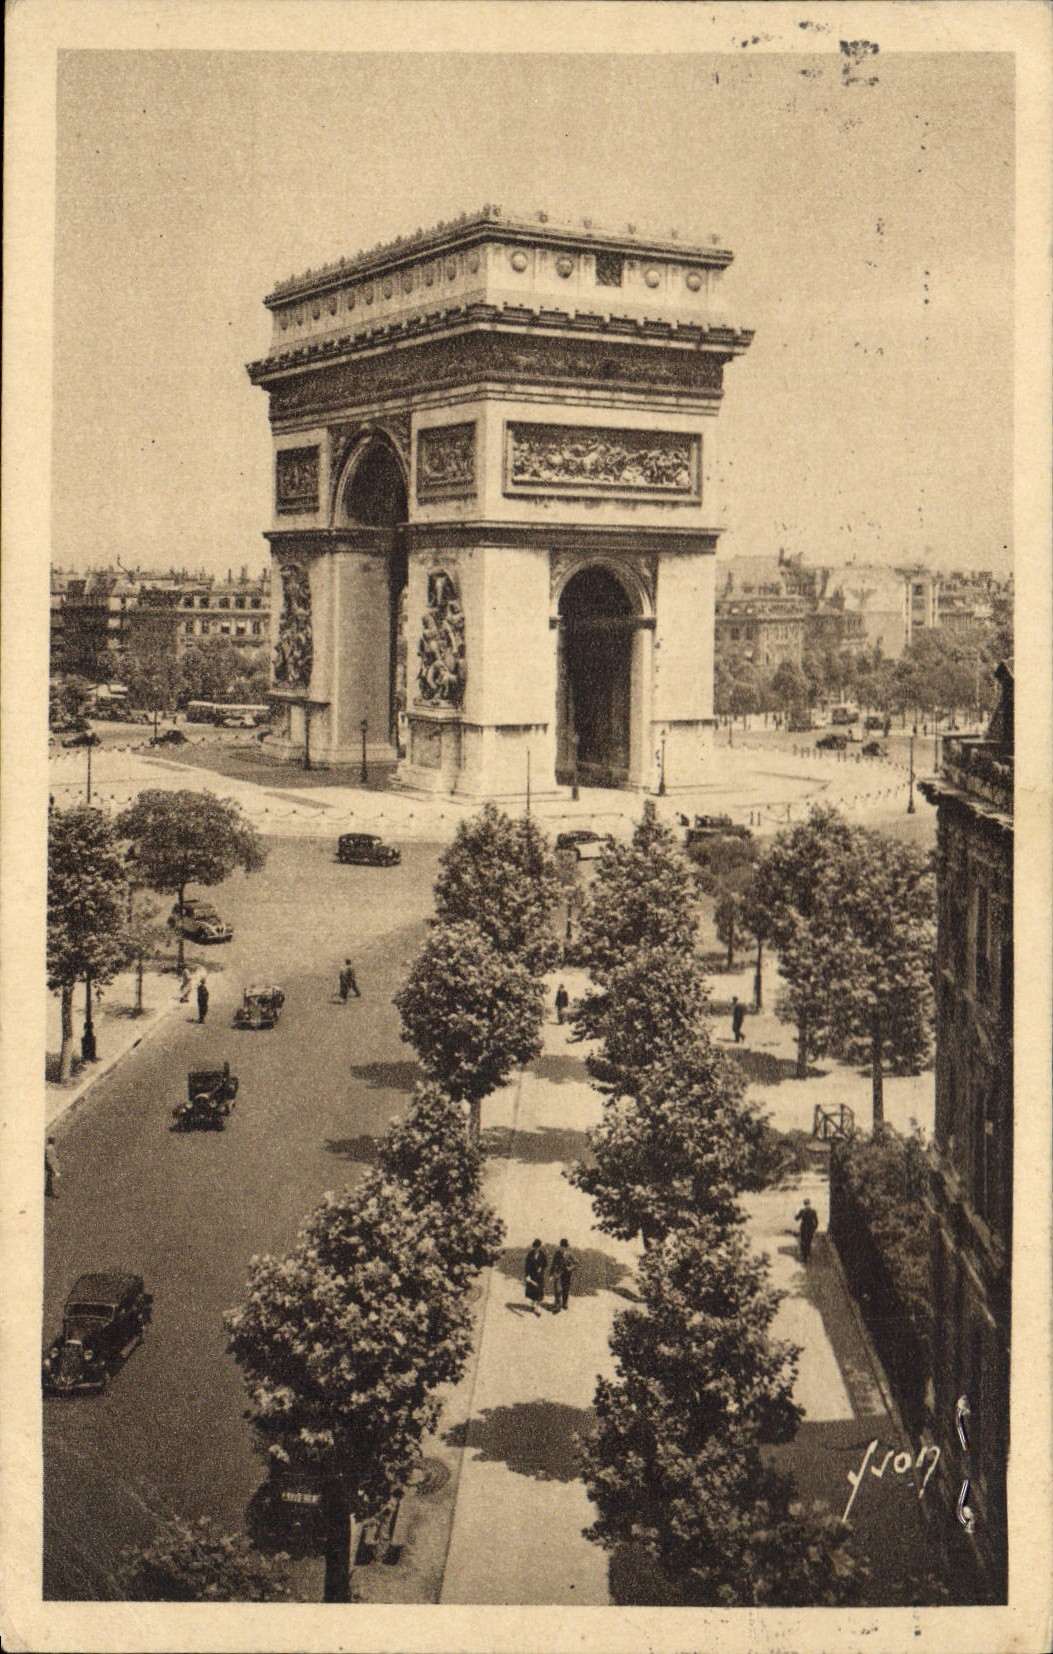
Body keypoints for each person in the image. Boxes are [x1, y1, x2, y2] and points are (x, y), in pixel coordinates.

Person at [550, 1239, 578, 1313]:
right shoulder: (557, 1253)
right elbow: (553, 1264)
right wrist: (551, 1274)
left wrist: (570, 1268)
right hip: (558, 1273)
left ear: (567, 1247)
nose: (563, 1248)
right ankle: (557, 1306)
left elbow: (576, 1263)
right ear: (560, 1246)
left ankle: (565, 1303)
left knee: (566, 1289)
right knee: (557, 1289)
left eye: (565, 1246)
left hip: (567, 1274)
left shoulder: (570, 1254)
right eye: (562, 1246)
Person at [524, 1239, 547, 1317]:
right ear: (533, 1247)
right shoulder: (530, 1254)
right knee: (533, 1292)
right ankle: (534, 1305)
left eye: (538, 1247)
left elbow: (545, 1264)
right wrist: (527, 1275)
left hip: (540, 1276)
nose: (537, 1249)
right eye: (535, 1247)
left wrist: (541, 1267)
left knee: (539, 1292)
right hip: (532, 1276)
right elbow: (527, 1266)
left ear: (540, 1247)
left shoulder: (542, 1254)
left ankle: (536, 1309)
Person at [796, 1198, 819, 1263]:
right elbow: (816, 1222)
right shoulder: (813, 1211)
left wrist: (795, 1214)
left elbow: (796, 1218)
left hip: (803, 1228)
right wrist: (814, 1228)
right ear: (809, 1203)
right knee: (809, 1241)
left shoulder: (802, 1211)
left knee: (803, 1241)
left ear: (804, 1204)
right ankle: (807, 1253)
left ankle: (804, 1256)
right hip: (810, 1228)